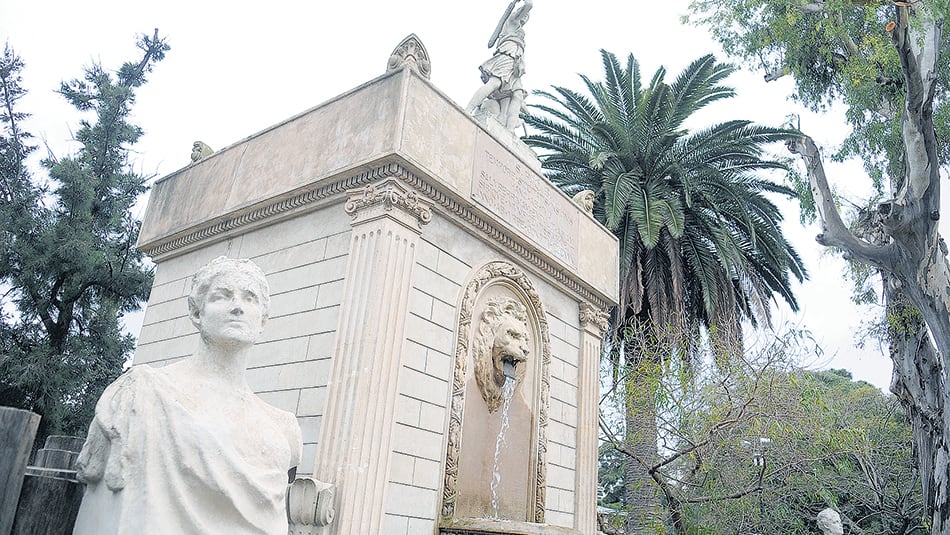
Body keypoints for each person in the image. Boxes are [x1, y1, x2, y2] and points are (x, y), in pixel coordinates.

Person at [73, 257, 302, 535]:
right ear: (197, 312)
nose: (238, 307)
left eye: (250, 298)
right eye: (222, 296)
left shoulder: (283, 428)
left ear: (263, 320)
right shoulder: (144, 392)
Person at [466, 0, 533, 131]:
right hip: (506, 57)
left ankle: (509, 129)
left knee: (516, 95)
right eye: (524, 14)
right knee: (494, 83)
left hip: (515, 66)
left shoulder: (518, 30)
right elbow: (529, 5)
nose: (525, 17)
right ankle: (469, 109)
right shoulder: (513, 21)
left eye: (527, 17)